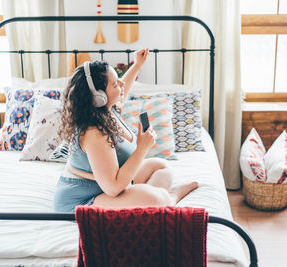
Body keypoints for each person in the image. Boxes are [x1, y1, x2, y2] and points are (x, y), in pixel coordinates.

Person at [54, 48, 198, 213]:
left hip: (108, 186)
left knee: (161, 166)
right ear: (98, 96)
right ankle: (168, 199)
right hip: (84, 200)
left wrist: (137, 65)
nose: (121, 84)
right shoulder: (94, 132)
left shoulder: (105, 110)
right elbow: (113, 188)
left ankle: (155, 200)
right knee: (156, 199)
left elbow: (124, 87)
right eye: (115, 83)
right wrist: (142, 148)